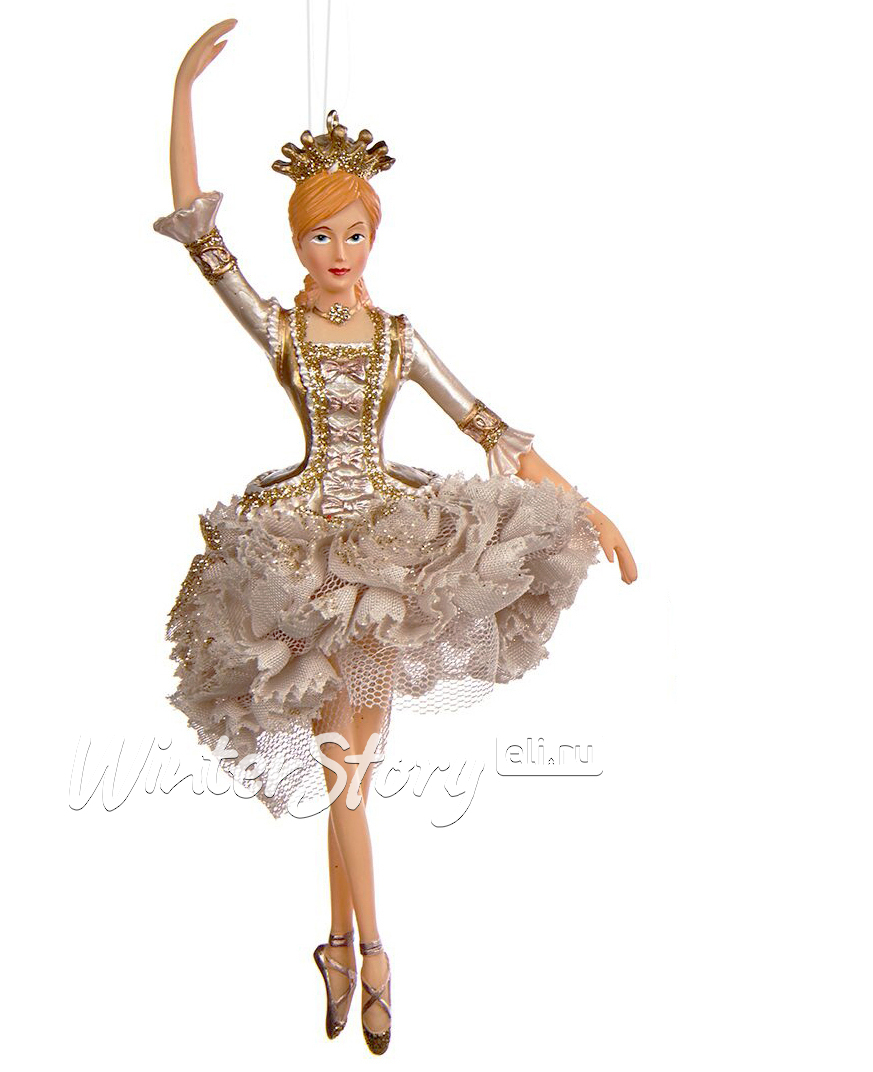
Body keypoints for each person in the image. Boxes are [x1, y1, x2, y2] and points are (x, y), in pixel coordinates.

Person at [152, 19, 637, 1055]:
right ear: (297, 246)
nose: (336, 255)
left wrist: (587, 507)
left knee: (350, 771)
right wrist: (182, 91)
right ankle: (369, 952)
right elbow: (201, 241)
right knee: (344, 770)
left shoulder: (397, 339)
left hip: (388, 562)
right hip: (297, 561)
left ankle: (342, 947)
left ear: (373, 238)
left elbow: (485, 425)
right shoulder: (284, 329)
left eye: (352, 236)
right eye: (317, 238)